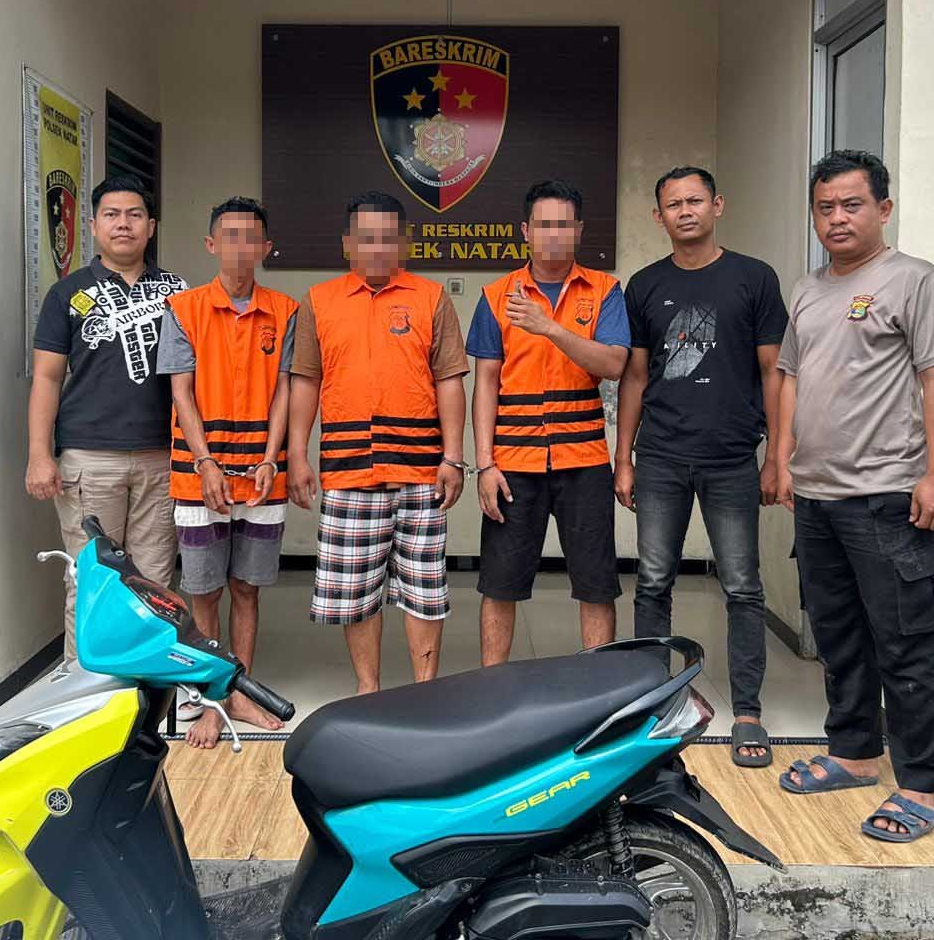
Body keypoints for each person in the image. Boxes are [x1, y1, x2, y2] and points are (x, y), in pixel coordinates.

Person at [773, 149, 934, 844]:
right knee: (840, 635)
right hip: (818, 498)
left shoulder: (916, 282)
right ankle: (853, 753)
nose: (838, 218)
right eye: (825, 207)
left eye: (852, 205)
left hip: (888, 495)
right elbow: (791, 378)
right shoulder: (807, 290)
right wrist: (784, 459)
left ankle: (920, 786)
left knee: (907, 643)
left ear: (883, 209)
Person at [615, 166, 788, 767]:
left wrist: (777, 456)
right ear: (657, 216)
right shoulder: (644, 285)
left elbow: (774, 371)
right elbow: (635, 376)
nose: (684, 211)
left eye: (694, 200)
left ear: (718, 205)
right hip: (661, 455)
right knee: (652, 582)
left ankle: (748, 713)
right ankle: (651, 707)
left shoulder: (753, 278)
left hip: (733, 457)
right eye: (673, 204)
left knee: (742, 586)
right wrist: (623, 457)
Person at [287, 190, 469, 694]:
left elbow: (450, 380)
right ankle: (369, 691)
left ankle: (424, 691)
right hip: (349, 471)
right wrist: (296, 455)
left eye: (388, 238)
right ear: (348, 243)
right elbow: (305, 381)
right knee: (357, 592)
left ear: (404, 243)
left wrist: (454, 458)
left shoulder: (431, 298)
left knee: (424, 591)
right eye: (367, 238)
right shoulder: (319, 301)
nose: (377, 247)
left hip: (421, 471)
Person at [468, 179, 629, 664]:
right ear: (525, 231)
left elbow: (614, 364)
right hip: (513, 464)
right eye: (543, 225)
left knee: (596, 583)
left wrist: (549, 328)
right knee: (500, 583)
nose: (553, 235)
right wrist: (484, 465)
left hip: (584, 459)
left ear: (578, 230)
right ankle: (492, 686)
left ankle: (598, 689)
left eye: (563, 225)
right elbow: (486, 384)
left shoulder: (604, 290)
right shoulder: (497, 295)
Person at [27, 174, 187, 659]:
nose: (124, 224)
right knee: (92, 581)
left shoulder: (179, 293)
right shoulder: (67, 294)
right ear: (94, 226)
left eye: (135, 215)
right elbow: (47, 377)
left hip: (163, 459)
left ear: (151, 226)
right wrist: (39, 454)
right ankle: (86, 687)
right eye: (112, 215)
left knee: (155, 583)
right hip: (89, 460)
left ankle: (144, 685)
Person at [156, 197, 296, 747]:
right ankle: (211, 698)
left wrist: (271, 456)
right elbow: (181, 393)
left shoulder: (286, 311)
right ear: (211, 244)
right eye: (230, 235)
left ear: (266, 247)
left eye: (251, 237)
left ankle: (241, 692)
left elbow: (285, 392)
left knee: (247, 588)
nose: (241, 246)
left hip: (262, 477)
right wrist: (205, 461)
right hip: (201, 477)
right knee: (204, 591)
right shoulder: (183, 309)